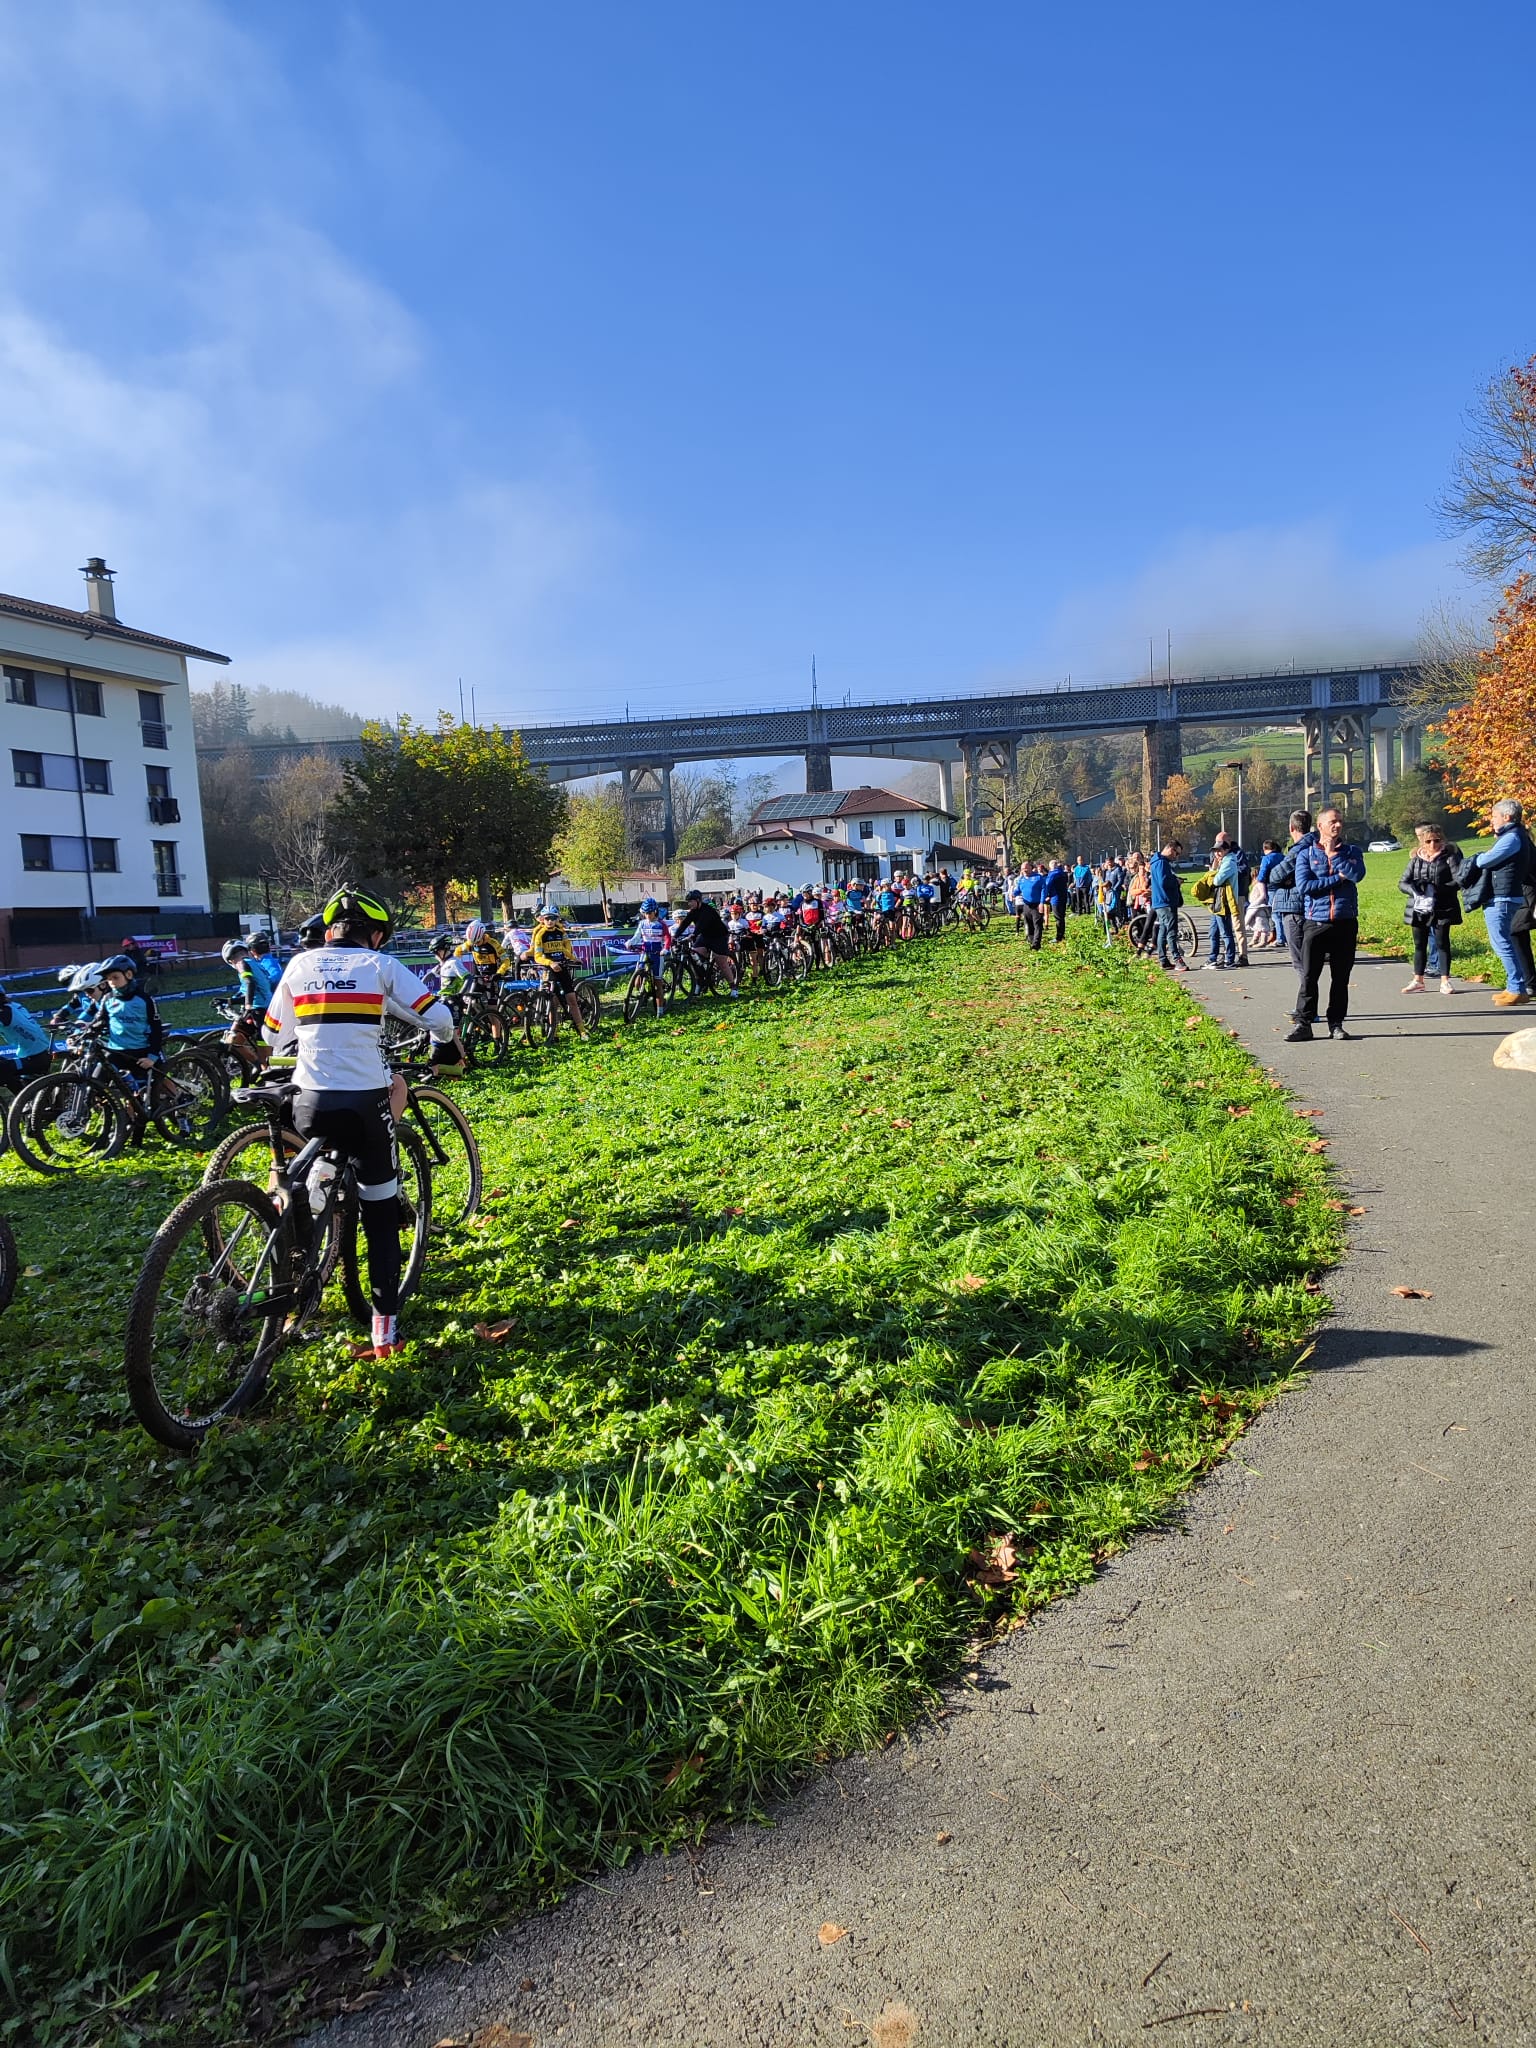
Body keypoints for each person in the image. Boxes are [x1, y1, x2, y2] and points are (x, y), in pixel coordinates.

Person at [260, 887, 462, 1357]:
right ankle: (384, 1332)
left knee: (311, 1170)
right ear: (376, 934)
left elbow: (272, 1034)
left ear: (330, 930)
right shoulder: (379, 964)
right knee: (380, 1210)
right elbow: (437, 1016)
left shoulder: (299, 964)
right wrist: (444, 1040)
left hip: (309, 1100)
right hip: (365, 1102)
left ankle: (307, 1199)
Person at [1286, 807, 1366, 1042]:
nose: (1337, 825)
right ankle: (1304, 1024)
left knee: (1340, 978)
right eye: (1332, 821)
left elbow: (1357, 875)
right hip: (1316, 922)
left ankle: (1336, 1024)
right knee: (1309, 976)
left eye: (1340, 821)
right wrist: (1337, 879)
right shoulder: (1306, 854)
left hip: (1345, 922)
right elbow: (1305, 887)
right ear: (1320, 826)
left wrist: (1334, 856)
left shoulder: (1351, 852)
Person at [1457, 797, 1535, 1007]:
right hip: (1504, 895)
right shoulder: (1514, 835)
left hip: (1503, 896)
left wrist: (1479, 856)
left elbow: (1485, 860)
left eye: (1494, 816)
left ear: (1506, 817)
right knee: (1503, 942)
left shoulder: (1511, 838)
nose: (1491, 820)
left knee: (1502, 943)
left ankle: (1517, 988)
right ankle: (1514, 986)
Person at [1397, 824, 1462, 996]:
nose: (1433, 844)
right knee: (1420, 945)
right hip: (1419, 908)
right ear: (1422, 842)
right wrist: (1414, 889)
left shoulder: (1449, 858)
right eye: (1428, 841)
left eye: (1437, 840)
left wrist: (1437, 888)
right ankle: (1418, 980)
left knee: (1442, 943)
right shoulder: (1415, 860)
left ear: (1442, 840)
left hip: (1442, 907)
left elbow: (1459, 881)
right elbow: (1402, 883)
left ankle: (1445, 981)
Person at [1264, 811, 1316, 978]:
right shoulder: (1317, 844)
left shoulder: (1299, 848)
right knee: (1310, 958)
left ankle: (1307, 994)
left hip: (1295, 905)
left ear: (1291, 828)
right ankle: (1309, 992)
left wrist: (1286, 880)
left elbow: (1274, 876)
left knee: (1300, 960)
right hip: (1312, 905)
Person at [530, 906, 591, 1033]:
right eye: (547, 918)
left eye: (552, 918)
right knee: (553, 1003)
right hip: (549, 970)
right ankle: (554, 1032)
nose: (550, 921)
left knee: (572, 1000)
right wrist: (550, 963)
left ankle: (582, 1030)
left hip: (562, 968)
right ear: (543, 919)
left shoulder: (561, 933)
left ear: (557, 919)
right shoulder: (540, 935)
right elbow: (537, 956)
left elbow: (563, 949)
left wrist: (574, 958)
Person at [673, 889, 738, 993]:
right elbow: (685, 923)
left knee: (721, 962)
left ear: (698, 900)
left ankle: (733, 987)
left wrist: (693, 935)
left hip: (719, 936)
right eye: (688, 902)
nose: (689, 904)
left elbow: (701, 925)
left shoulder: (707, 910)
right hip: (705, 936)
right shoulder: (693, 912)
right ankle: (700, 981)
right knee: (694, 955)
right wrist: (675, 936)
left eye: (691, 901)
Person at [0, 979, 54, 1082]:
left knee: (2, 1069)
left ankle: (22, 1092)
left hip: (34, 1060)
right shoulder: (13, 1006)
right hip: (39, 1054)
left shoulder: (3, 1014)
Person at [1201, 836, 1242, 969]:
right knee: (1213, 932)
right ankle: (1212, 958)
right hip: (1216, 901)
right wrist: (1214, 869)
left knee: (1225, 932)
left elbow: (1216, 880)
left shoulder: (1229, 862)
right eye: (1215, 851)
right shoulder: (1222, 862)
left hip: (1224, 902)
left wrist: (1213, 870)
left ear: (1226, 850)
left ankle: (1230, 959)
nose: (1217, 853)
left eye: (1220, 850)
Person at [1148, 837, 1187, 972]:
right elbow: (1164, 882)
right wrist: (1176, 881)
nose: (1176, 857)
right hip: (1166, 902)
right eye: (1176, 853)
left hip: (1161, 902)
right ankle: (1177, 959)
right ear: (1170, 849)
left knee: (1163, 931)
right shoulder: (1161, 863)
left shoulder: (1157, 862)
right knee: (1171, 931)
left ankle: (1163, 960)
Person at [221, 938, 274, 1016]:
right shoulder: (256, 965)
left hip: (259, 1009)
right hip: (270, 1006)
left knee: (240, 1023)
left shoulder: (241, 963)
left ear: (230, 961)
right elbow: (255, 992)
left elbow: (250, 983)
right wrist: (229, 1001)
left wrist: (248, 1007)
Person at [1019, 861, 1047, 950]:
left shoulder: (1038, 878)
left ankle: (1036, 944)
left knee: (1037, 925)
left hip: (1037, 905)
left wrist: (1042, 903)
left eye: (1026, 868)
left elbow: (1044, 890)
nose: (1024, 870)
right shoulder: (1022, 879)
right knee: (1029, 924)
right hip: (1026, 905)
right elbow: (1018, 889)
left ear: (1031, 868)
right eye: (1023, 869)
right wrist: (1013, 894)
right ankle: (1032, 941)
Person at [1042, 859, 1070, 943]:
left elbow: (1047, 885)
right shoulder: (1063, 873)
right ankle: (1062, 935)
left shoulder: (1052, 874)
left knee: (1058, 918)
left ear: (1051, 866)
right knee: (1062, 917)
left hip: (1055, 898)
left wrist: (1046, 895)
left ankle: (1059, 937)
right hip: (1063, 897)